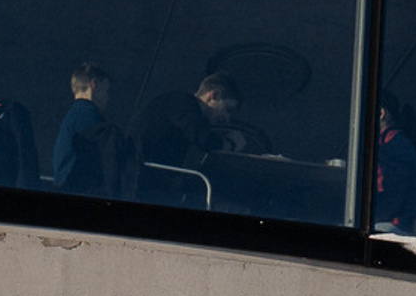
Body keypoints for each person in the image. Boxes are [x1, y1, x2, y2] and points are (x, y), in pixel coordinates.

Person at [139, 71, 272, 168]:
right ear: (213, 95)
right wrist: (231, 144)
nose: (227, 118)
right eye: (228, 109)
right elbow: (203, 139)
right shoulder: (183, 104)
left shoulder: (181, 106)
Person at [51, 61, 133, 198]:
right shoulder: (88, 114)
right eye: (106, 90)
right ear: (94, 84)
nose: (108, 97)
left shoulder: (72, 115)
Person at [372, 96, 416, 233]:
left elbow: (393, 194)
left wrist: (371, 218)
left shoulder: (395, 146)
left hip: (397, 226)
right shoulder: (389, 143)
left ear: (381, 113)